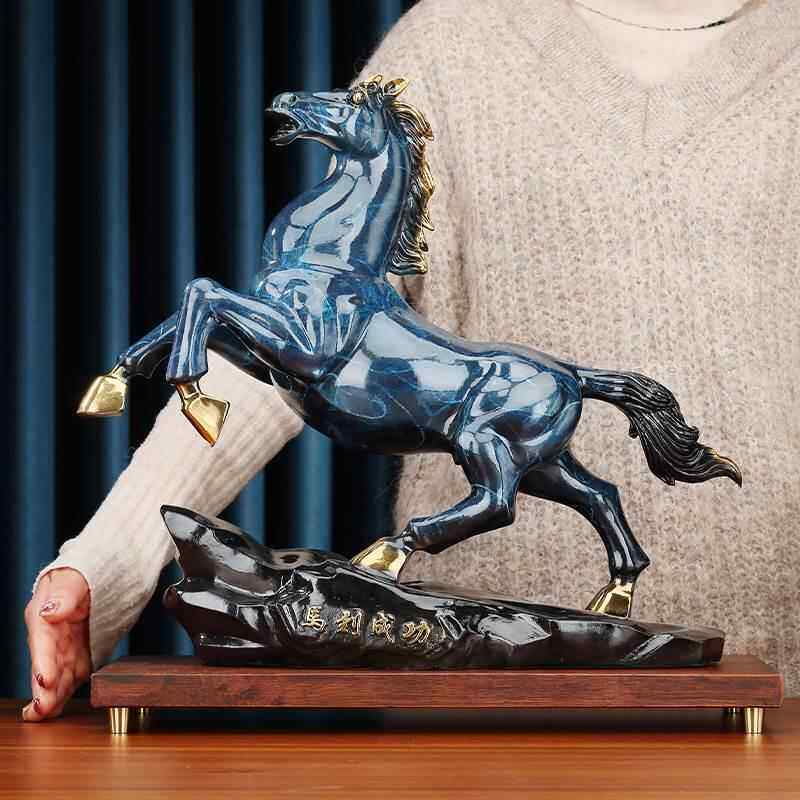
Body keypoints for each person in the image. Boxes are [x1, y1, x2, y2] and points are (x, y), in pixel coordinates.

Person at [23, 0, 800, 720]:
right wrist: (107, 564)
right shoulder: (450, 41)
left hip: (780, 697)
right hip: (464, 704)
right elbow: (289, 350)